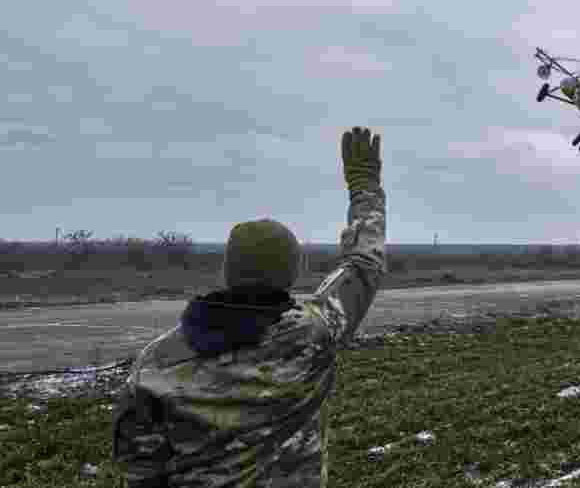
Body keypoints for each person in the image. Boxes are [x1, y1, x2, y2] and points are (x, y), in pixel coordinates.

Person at [111, 127, 386, 487]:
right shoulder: (314, 336)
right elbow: (363, 265)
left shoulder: (155, 363)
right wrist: (365, 188)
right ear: (292, 274)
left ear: (226, 271)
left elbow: (139, 469)